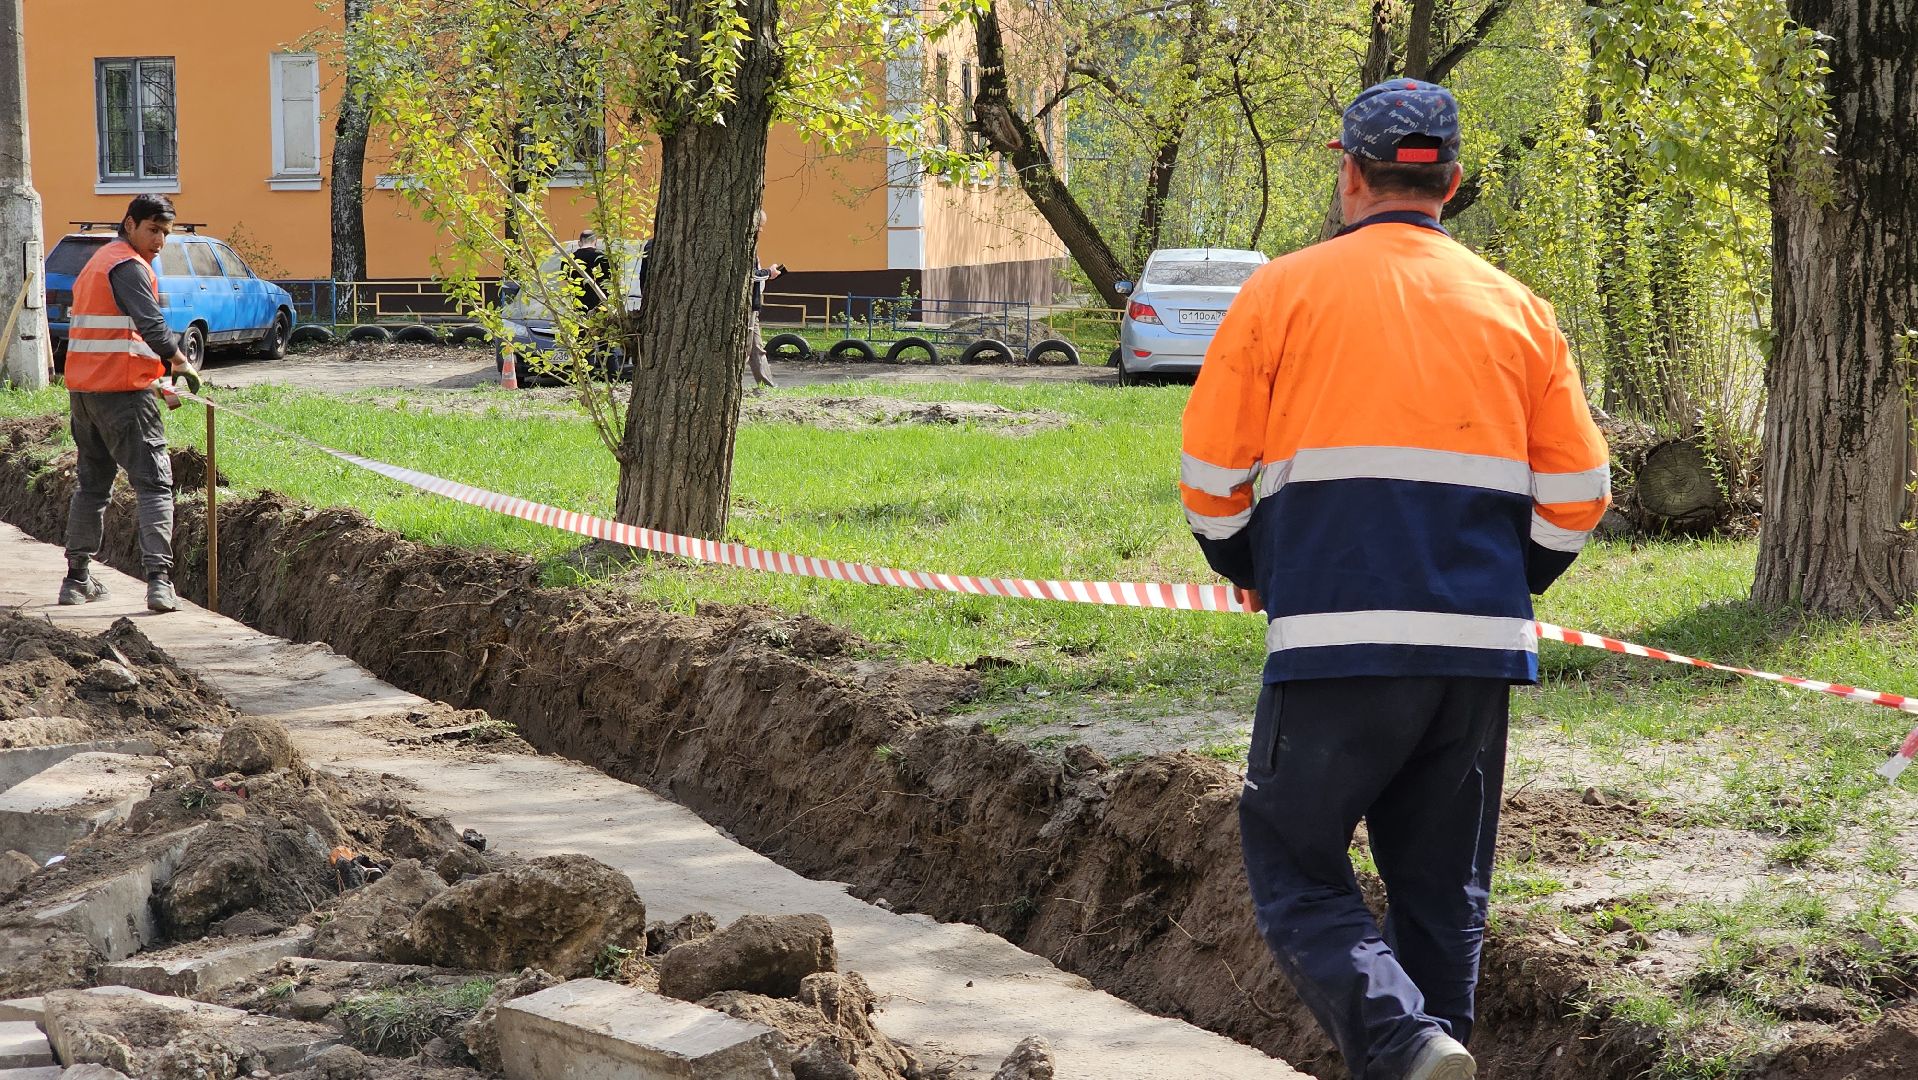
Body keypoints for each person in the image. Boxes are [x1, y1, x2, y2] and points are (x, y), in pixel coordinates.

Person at [1179, 80, 1610, 1080]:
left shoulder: (1280, 293)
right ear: (1451, 184)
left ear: (1347, 176)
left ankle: (1402, 1041)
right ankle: (1433, 1052)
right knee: (1439, 891)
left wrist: (1251, 566)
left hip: (1333, 642)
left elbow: (1210, 481)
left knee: (1293, 864)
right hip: (1476, 650)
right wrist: (1514, 579)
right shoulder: (1518, 308)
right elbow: (1582, 490)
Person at [59, 193, 201, 614]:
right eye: (153, 230)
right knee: (155, 485)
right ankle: (159, 582)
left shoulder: (97, 262)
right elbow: (150, 323)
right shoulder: (128, 266)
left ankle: (76, 580)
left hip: (84, 395)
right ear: (130, 225)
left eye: (166, 233)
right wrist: (179, 360)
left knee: (92, 486)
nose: (160, 241)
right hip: (123, 397)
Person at [747, 209, 784, 389]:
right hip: (747, 307)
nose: (761, 231)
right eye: (760, 226)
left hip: (753, 305)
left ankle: (767, 386)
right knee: (750, 348)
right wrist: (769, 273)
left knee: (755, 349)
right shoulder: (745, 247)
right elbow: (750, 276)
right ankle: (767, 386)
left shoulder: (750, 247)